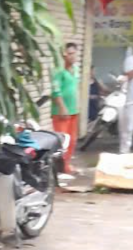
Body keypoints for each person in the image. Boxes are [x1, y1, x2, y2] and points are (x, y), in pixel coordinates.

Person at [52, 42, 81, 175]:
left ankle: (66, 165)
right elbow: (56, 91)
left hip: (74, 111)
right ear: (63, 55)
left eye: (73, 53)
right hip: (61, 112)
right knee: (62, 141)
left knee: (72, 140)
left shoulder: (75, 69)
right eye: (68, 54)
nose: (71, 56)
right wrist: (62, 108)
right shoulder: (58, 71)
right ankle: (59, 168)